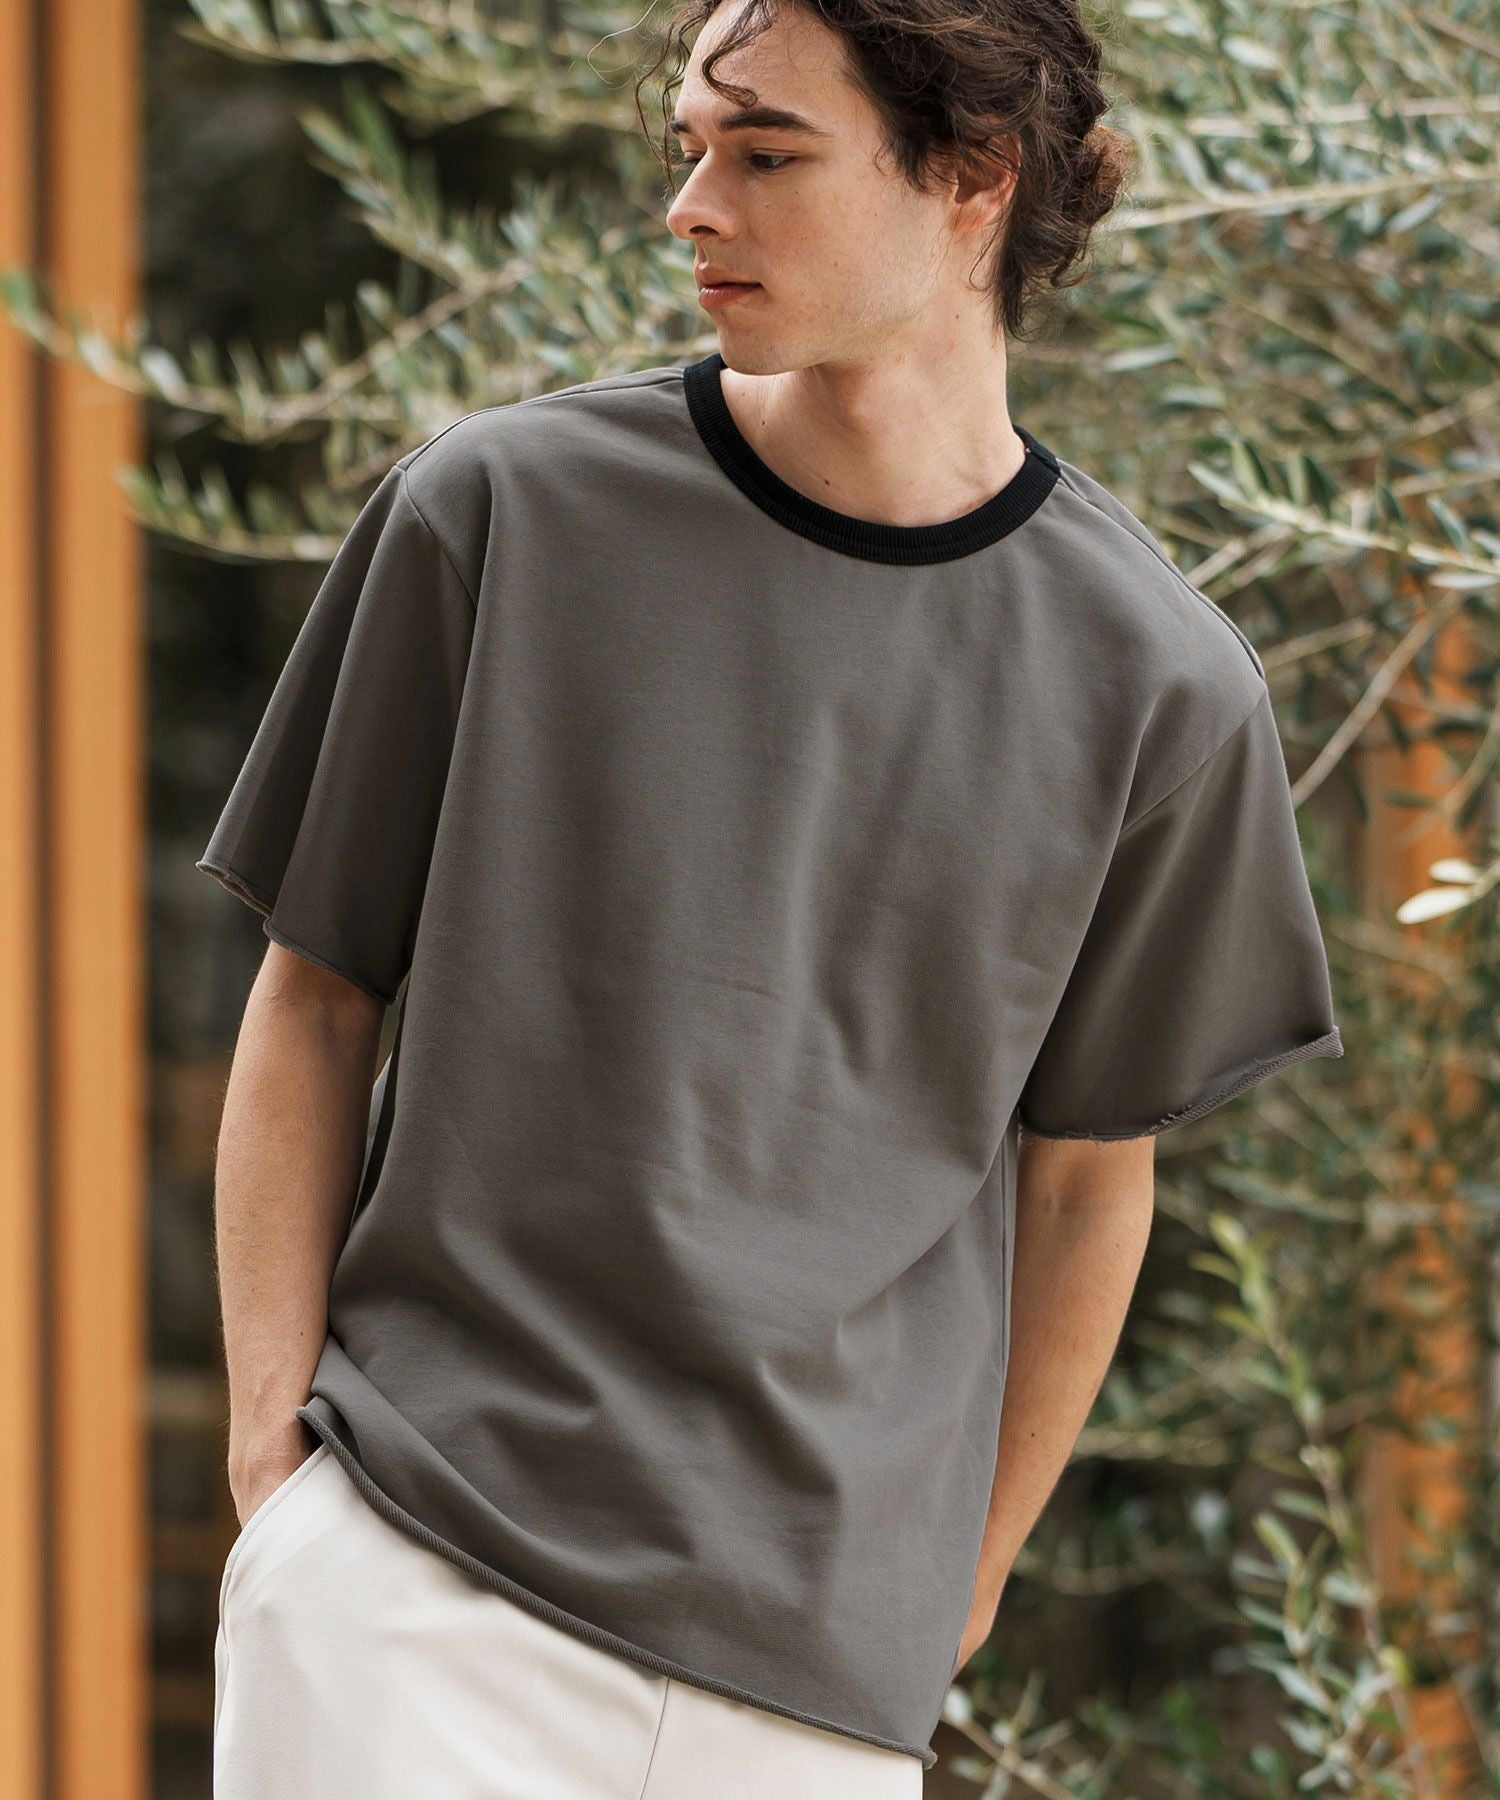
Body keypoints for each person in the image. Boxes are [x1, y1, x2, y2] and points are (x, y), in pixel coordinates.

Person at [200, 0, 1343, 1792]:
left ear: (975, 178)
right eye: (689, 149)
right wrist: (277, 1468)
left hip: (815, 1686)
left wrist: (956, 1586)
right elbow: (316, 995)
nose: (692, 205)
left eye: (767, 152)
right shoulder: (499, 513)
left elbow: (1088, 1185)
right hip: (418, 1584)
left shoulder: (1161, 686)